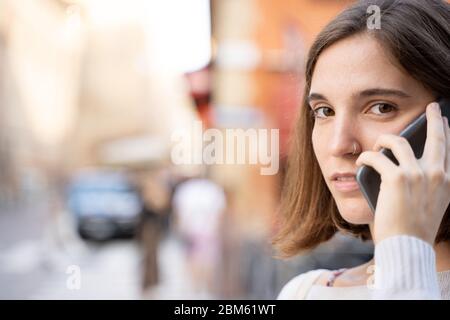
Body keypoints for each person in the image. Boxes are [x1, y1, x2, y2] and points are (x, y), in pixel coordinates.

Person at [275, 0, 450, 299]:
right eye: (324, 111)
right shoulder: (303, 292)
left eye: (381, 107)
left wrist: (406, 251)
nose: (339, 145)